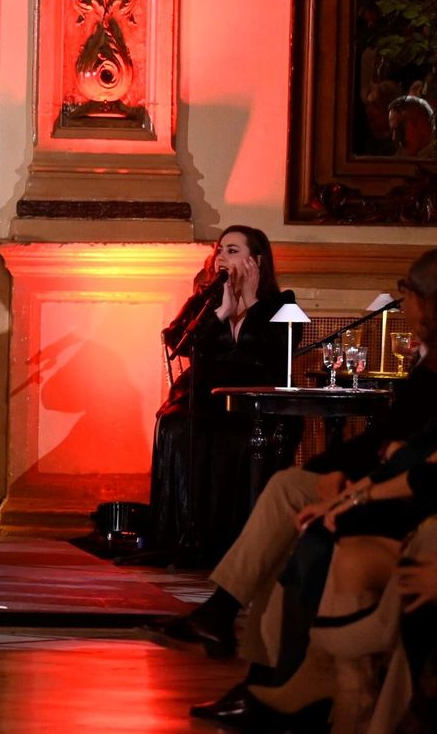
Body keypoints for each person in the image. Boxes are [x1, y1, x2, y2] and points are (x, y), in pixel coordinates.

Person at [149, 249, 437, 726]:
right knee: (289, 486)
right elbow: (384, 440)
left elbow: (411, 458)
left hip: (410, 503)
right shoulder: (427, 367)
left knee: (303, 537)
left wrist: (358, 491)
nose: (402, 301)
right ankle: (229, 624)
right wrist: (332, 471)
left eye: (407, 291)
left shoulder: (275, 305)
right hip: (384, 483)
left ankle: (269, 680)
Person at [149, 226, 294, 562]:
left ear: (255, 260)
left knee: (231, 435)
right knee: (177, 427)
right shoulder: (205, 300)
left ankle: (231, 539)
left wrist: (253, 303)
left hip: (253, 402)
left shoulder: (281, 303)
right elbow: (177, 343)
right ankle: (186, 534)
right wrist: (220, 314)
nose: (221, 258)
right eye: (219, 250)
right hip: (203, 397)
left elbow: (280, 350)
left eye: (232, 250)